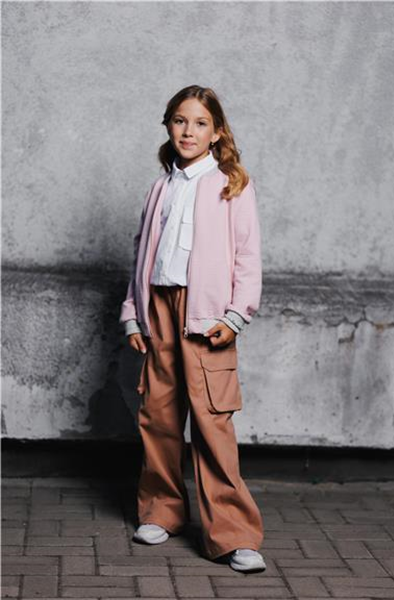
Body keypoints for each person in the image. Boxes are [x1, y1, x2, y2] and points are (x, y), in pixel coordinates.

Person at [119, 84, 265, 573]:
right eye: (180, 121)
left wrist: (236, 315)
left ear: (216, 132)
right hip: (158, 308)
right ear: (168, 126)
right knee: (158, 416)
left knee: (211, 421)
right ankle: (161, 511)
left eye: (200, 123)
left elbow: (247, 256)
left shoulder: (231, 184)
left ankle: (234, 533)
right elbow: (140, 255)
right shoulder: (160, 187)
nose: (189, 131)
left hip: (206, 315)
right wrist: (133, 313)